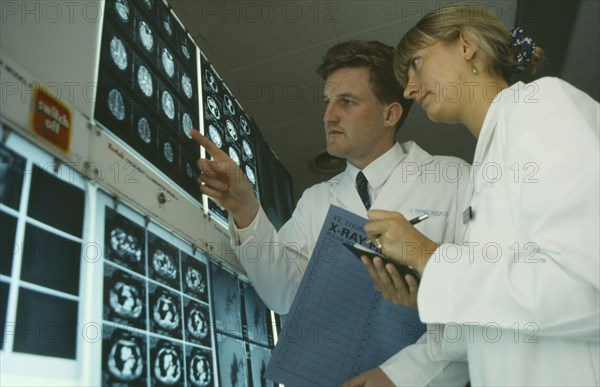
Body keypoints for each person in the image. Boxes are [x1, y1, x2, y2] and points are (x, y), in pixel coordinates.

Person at [191, 40, 472, 385]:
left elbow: (479, 305)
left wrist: (400, 377)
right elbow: (282, 295)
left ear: (390, 114)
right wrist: (247, 210)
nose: (328, 116)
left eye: (347, 102)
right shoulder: (316, 200)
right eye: (327, 102)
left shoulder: (454, 179)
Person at [361, 4, 600, 386]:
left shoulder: (540, 106)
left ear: (467, 45)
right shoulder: (486, 165)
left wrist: (430, 258)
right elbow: (507, 325)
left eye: (417, 64)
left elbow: (588, 288)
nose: (408, 89)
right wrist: (428, 291)